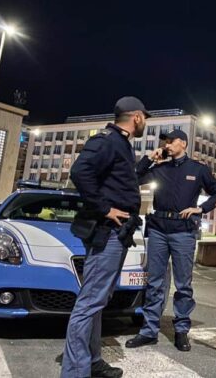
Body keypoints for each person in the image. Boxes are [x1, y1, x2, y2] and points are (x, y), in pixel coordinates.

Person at [61, 96, 150, 378]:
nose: (145, 123)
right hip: (107, 232)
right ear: (137, 117)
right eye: (145, 118)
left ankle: (92, 361)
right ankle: (75, 371)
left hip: (115, 233)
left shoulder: (120, 144)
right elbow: (80, 171)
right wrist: (105, 208)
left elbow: (121, 181)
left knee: (97, 300)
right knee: (90, 302)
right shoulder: (108, 140)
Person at [125, 129, 216, 351]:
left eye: (171, 141)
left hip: (183, 231)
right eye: (166, 142)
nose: (167, 145)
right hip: (158, 230)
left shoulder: (198, 169)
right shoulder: (159, 168)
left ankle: (181, 330)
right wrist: (148, 159)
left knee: (183, 285)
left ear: (184, 143)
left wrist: (201, 209)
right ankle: (149, 330)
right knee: (154, 283)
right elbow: (132, 179)